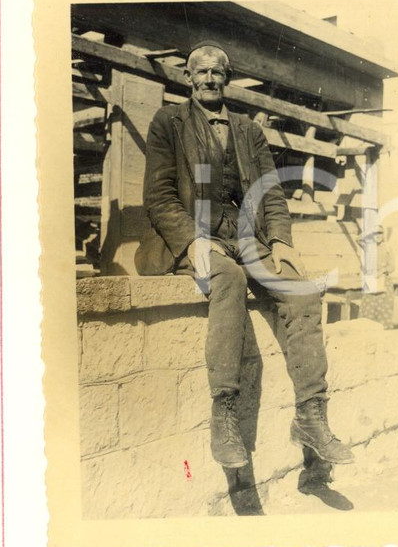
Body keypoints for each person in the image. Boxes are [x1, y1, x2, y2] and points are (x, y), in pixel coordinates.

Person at [135, 40, 354, 469]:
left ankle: (311, 415)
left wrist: (283, 243)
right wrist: (193, 241)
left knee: (303, 291)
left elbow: (271, 193)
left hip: (246, 238)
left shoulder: (249, 130)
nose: (210, 79)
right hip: (194, 236)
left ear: (227, 80)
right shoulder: (168, 122)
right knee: (229, 280)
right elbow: (158, 196)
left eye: (218, 72)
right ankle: (225, 415)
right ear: (188, 78)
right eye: (201, 72)